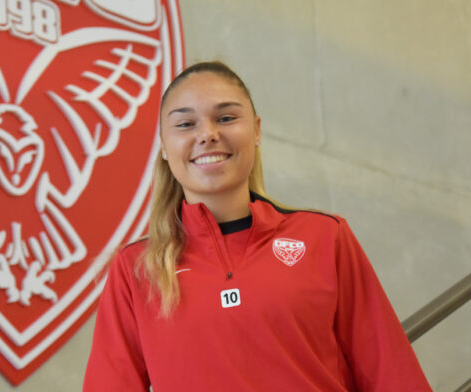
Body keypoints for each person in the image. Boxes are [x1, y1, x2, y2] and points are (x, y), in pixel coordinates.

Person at [83, 61, 432, 391]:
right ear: (163, 146)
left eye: (226, 117)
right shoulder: (136, 270)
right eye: (186, 124)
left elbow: (392, 374)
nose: (208, 134)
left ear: (257, 130)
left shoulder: (324, 237)